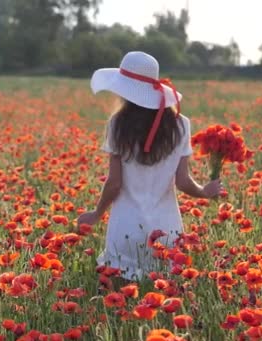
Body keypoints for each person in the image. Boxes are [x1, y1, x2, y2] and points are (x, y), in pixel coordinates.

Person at [76, 51, 222, 287]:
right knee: (161, 298)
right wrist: (205, 191)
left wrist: (96, 214)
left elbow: (114, 183)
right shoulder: (180, 125)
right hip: (166, 230)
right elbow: (183, 182)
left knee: (120, 303)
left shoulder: (118, 125)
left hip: (126, 228)